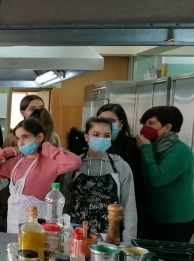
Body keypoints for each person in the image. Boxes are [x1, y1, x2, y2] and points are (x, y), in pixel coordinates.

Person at [0, 118, 81, 233]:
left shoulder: (51, 163)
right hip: (13, 222)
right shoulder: (15, 163)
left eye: (25, 137)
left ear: (39, 137)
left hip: (38, 222)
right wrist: (3, 153)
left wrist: (48, 148)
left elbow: (75, 162)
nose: (21, 143)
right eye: (18, 138)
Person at [62, 117, 137, 243]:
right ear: (86, 137)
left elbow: (129, 207)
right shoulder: (74, 165)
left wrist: (129, 242)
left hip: (110, 238)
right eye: (96, 135)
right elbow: (65, 202)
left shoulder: (120, 166)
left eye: (106, 136)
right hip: (76, 236)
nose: (101, 139)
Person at [137, 106, 194, 242]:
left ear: (167, 127)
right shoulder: (154, 147)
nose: (145, 127)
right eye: (144, 123)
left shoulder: (180, 151)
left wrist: (145, 148)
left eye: (151, 123)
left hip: (174, 222)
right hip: (151, 217)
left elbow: (157, 178)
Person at [97, 103, 145, 236]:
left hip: (120, 213)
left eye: (111, 120)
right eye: (101, 120)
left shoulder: (131, 149)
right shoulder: (89, 149)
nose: (106, 124)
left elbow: (134, 191)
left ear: (121, 124)